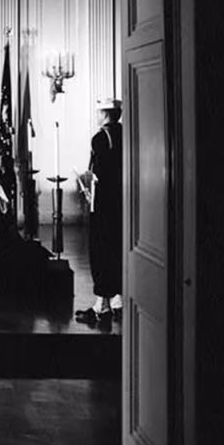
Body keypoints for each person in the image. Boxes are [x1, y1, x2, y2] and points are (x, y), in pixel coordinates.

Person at [78, 98, 122, 321]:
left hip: (103, 204)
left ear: (105, 114)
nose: (96, 117)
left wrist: (87, 188)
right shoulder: (126, 134)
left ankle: (100, 305)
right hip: (123, 202)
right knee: (118, 247)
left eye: (98, 113)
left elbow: (97, 174)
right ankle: (117, 298)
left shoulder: (99, 138)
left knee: (100, 250)